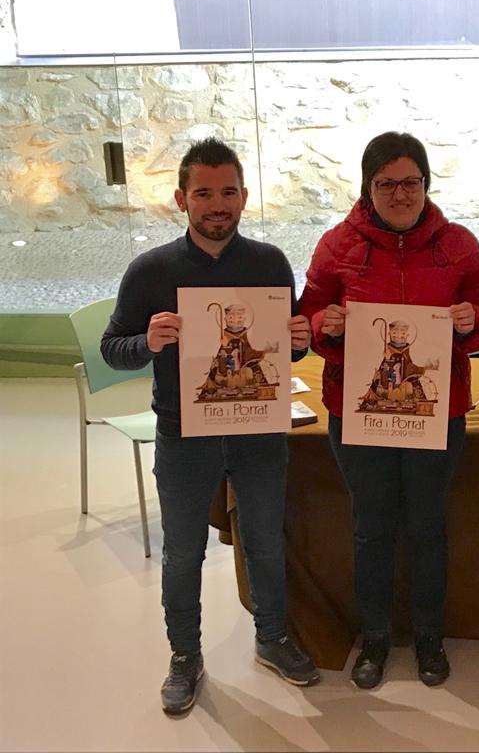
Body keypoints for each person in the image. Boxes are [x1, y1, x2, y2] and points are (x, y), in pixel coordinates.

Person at [100, 138, 319, 715]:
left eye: (228, 192)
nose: (217, 204)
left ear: (244, 196)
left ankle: (272, 637)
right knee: (182, 552)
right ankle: (184, 655)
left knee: (266, 541)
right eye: (203, 193)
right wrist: (146, 342)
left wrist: (300, 340)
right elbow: (111, 349)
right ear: (181, 199)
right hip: (183, 434)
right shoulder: (151, 270)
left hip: (258, 432)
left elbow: (285, 351)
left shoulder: (270, 263)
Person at [298, 131, 479, 690]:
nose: (400, 194)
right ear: (368, 187)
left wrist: (473, 321)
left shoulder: (459, 245)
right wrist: (324, 324)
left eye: (411, 182)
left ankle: (430, 635)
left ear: (427, 184)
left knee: (429, 527)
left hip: (436, 411)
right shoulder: (336, 245)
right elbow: (308, 315)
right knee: (372, 528)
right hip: (358, 412)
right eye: (386, 183)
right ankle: (376, 637)